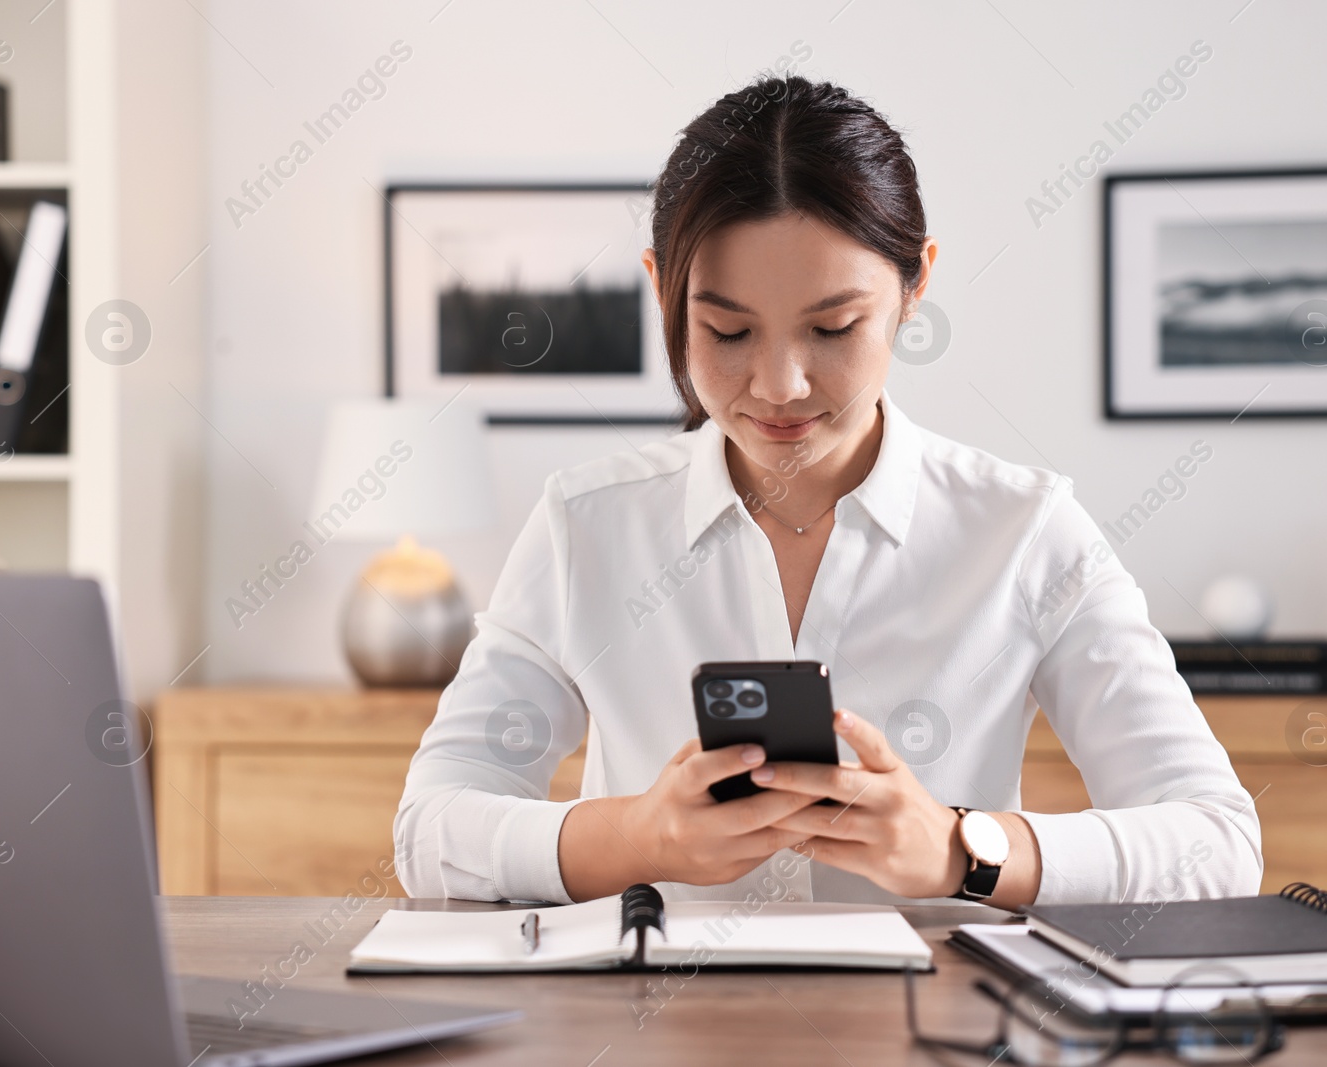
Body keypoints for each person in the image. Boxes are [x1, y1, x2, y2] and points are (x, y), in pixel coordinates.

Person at [395, 76, 1262, 908]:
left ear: (915, 285)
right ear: (663, 291)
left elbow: (1218, 843)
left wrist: (961, 849)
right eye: (727, 330)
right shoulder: (588, 526)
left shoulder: (1025, 530)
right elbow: (430, 832)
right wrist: (638, 838)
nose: (779, 385)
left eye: (833, 327)